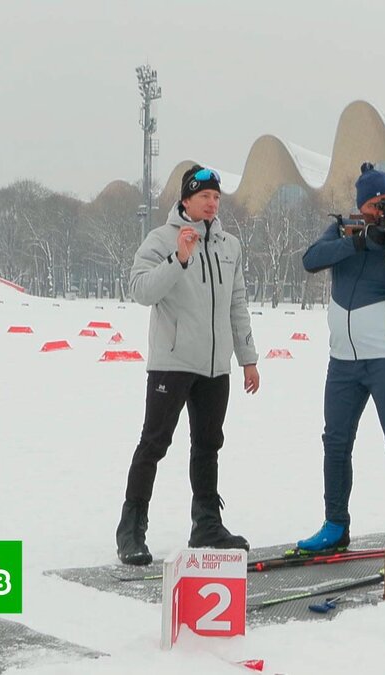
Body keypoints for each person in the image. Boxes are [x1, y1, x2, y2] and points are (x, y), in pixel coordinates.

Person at [115, 164, 260, 566]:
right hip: (173, 361)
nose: (212, 203)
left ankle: (207, 524)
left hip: (216, 366)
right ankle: (131, 528)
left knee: (208, 445)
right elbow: (141, 290)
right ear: (186, 201)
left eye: (216, 197)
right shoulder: (161, 239)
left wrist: (247, 357)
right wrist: (178, 259)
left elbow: (237, 303)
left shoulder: (230, 245)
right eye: (204, 197)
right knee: (155, 442)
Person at [297, 162, 385, 553]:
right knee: (335, 442)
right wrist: (357, 243)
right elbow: (311, 259)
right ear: (362, 208)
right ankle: (335, 525)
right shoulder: (345, 233)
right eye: (376, 204)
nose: (384, 210)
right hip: (343, 361)